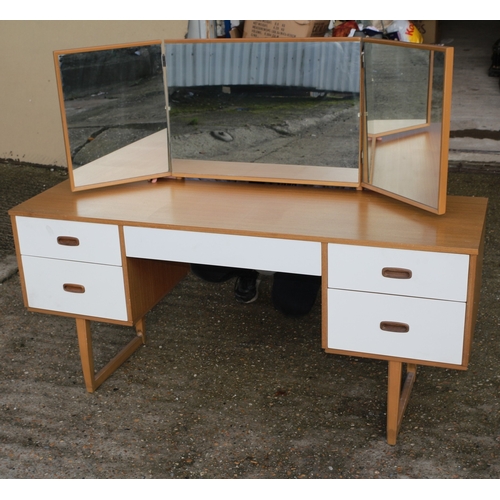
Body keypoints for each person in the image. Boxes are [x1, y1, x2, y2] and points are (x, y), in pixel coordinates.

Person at [191, 264, 321, 317]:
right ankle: (248, 269)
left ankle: (289, 274)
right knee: (203, 266)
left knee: (294, 305)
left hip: (296, 246)